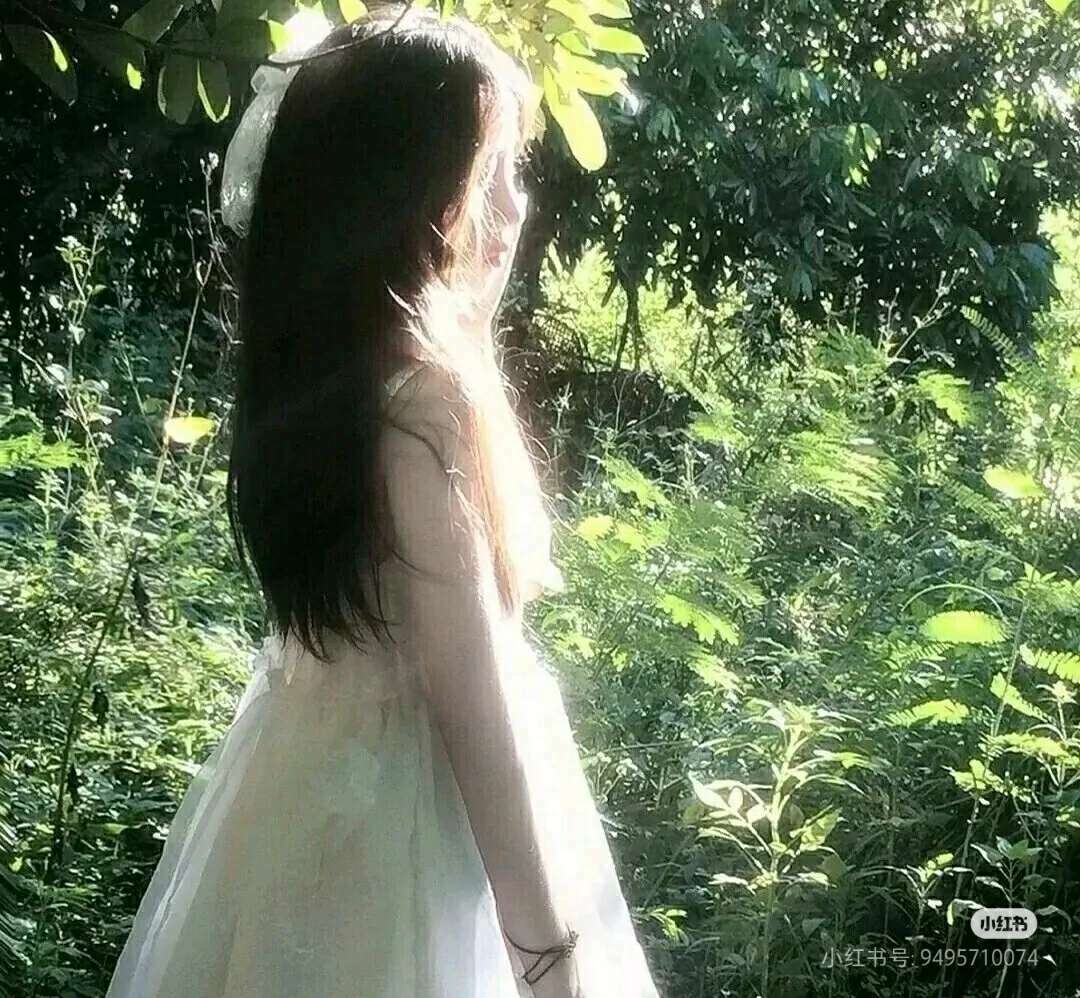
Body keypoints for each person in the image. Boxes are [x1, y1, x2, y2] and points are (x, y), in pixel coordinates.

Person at [105, 6, 661, 997]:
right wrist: (549, 957)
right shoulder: (423, 406)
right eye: (493, 172)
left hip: (296, 800)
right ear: (415, 197)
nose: (516, 206)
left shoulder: (327, 386)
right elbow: (470, 700)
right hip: (409, 834)